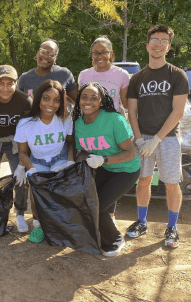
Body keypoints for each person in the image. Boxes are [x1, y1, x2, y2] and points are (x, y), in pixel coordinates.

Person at [126, 25, 189, 248]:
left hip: (168, 138)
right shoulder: (137, 78)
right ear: (147, 45)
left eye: (163, 40)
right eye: (154, 39)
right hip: (143, 138)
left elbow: (178, 111)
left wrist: (157, 139)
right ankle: (141, 222)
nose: (158, 44)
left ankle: (172, 227)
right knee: (143, 181)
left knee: (172, 183)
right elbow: (131, 111)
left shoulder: (177, 75)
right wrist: (141, 138)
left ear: (168, 46)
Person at [72, 82, 140, 257]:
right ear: (78, 100)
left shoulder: (114, 120)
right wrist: (72, 164)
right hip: (103, 167)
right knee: (86, 201)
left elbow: (130, 153)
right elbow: (85, 151)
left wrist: (103, 159)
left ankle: (116, 239)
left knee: (98, 206)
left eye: (94, 98)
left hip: (126, 169)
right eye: (84, 97)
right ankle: (97, 233)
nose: (88, 101)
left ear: (101, 102)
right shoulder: (78, 124)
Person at [78, 35, 130, 221]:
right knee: (93, 172)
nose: (99, 56)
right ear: (92, 55)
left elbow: (124, 104)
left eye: (103, 52)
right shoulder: (84, 75)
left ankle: (110, 215)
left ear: (111, 54)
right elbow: (81, 103)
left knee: (111, 169)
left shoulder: (121, 75)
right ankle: (93, 213)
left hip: (112, 131)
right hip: (90, 130)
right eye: (96, 53)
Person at [0, 65, 33, 233]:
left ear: (16, 84)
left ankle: (20, 213)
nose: (5, 88)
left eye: (10, 83)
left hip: (16, 141)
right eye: (0, 83)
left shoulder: (24, 101)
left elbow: (29, 134)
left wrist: (23, 164)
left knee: (21, 180)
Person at [14, 79, 74, 228]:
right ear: (38, 98)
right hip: (37, 161)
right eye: (46, 98)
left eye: (56, 100)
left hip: (59, 158)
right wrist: (29, 168)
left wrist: (70, 161)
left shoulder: (65, 120)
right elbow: (22, 152)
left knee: (58, 190)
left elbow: (71, 142)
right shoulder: (25, 123)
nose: (50, 104)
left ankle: (59, 222)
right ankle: (37, 219)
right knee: (37, 192)